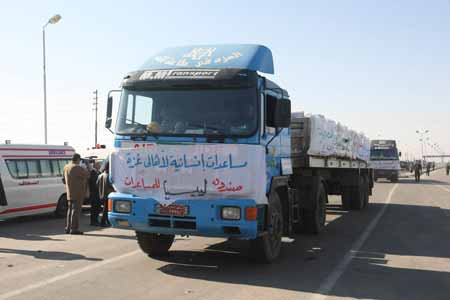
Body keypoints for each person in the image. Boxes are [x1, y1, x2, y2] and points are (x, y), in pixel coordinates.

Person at [63, 153, 90, 234]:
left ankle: (68, 227)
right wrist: (87, 167)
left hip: (69, 192)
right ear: (78, 159)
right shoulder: (77, 167)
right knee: (76, 211)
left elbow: (63, 180)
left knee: (70, 210)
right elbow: (88, 175)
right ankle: (74, 229)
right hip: (78, 192)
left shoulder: (66, 167)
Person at [97, 161, 115, 227]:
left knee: (106, 208)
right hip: (108, 194)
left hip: (101, 194)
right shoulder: (109, 175)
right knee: (106, 209)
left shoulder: (100, 175)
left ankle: (106, 221)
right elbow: (111, 185)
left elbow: (97, 184)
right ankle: (103, 222)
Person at [89, 161, 101, 226]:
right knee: (94, 208)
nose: (99, 166)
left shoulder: (99, 172)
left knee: (98, 208)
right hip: (94, 194)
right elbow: (93, 183)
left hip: (98, 193)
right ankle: (93, 221)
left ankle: (96, 220)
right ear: (95, 165)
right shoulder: (92, 172)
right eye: (98, 165)